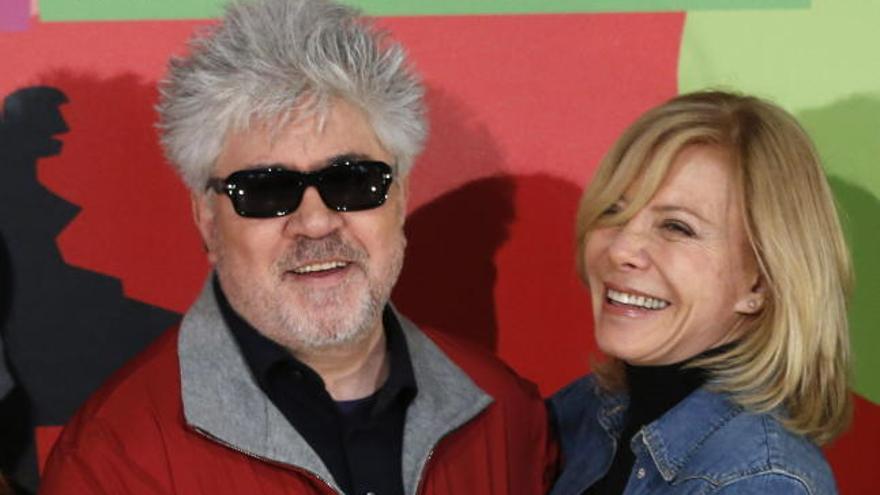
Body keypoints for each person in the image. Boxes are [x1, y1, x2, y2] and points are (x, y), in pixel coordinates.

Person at [39, 0, 553, 493]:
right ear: (207, 220)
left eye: (353, 181)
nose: (315, 222)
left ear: (401, 196)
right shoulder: (113, 463)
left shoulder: (506, 416)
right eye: (267, 191)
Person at [549, 91, 851, 494]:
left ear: (759, 282)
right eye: (613, 211)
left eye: (676, 227)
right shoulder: (588, 410)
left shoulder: (760, 481)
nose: (620, 249)